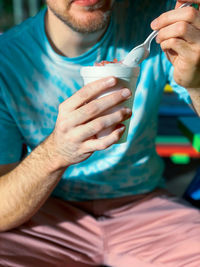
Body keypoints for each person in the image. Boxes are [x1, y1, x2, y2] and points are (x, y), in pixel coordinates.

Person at [0, 0, 200, 266]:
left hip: (147, 211)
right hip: (47, 214)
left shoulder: (162, 25)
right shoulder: (7, 61)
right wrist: (56, 152)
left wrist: (197, 83)